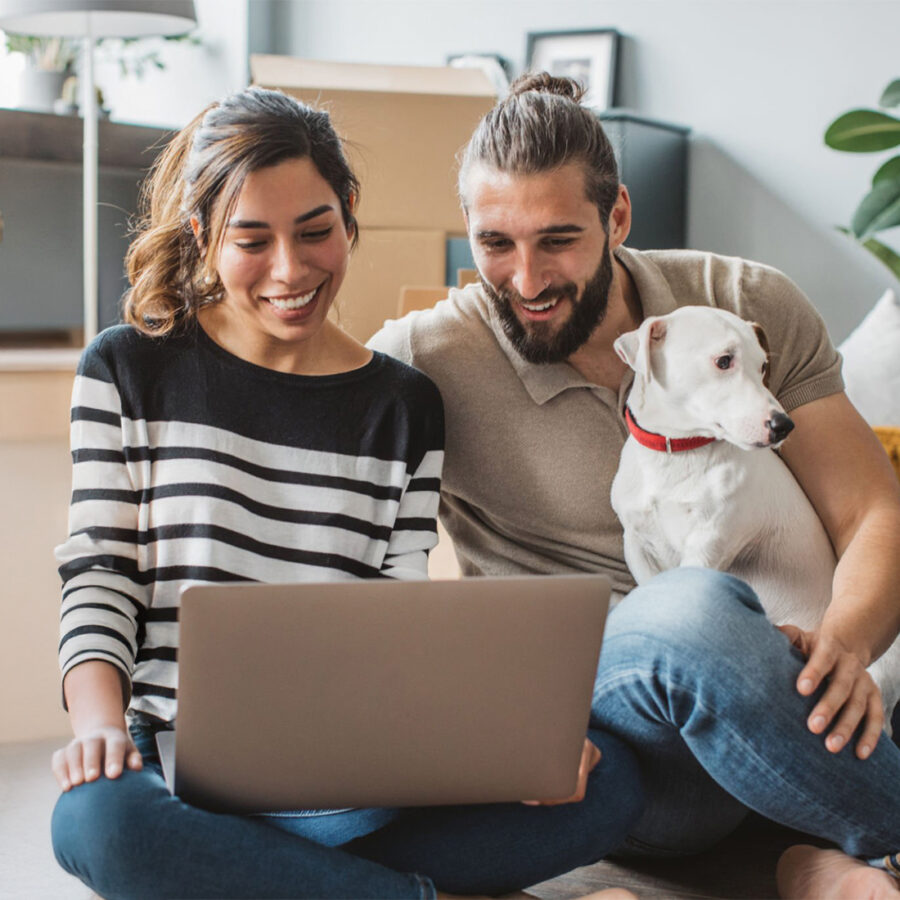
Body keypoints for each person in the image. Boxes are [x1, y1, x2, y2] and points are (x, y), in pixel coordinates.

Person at [49, 86, 645, 900]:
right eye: (250, 240)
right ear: (202, 236)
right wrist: (97, 729)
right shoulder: (127, 368)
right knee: (97, 823)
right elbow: (100, 573)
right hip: (175, 767)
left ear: (349, 211)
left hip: (356, 785)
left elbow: (397, 625)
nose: (291, 271)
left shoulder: (403, 405)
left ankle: (264, 882)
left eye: (316, 231)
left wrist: (496, 744)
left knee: (605, 786)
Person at [369, 73, 900, 899]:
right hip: (600, 744)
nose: (526, 279)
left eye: (558, 240)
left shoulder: (741, 304)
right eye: (494, 243)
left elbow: (872, 510)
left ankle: (812, 853)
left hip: (769, 710)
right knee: (690, 608)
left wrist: (848, 645)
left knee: (717, 620)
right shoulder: (427, 355)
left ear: (618, 215)